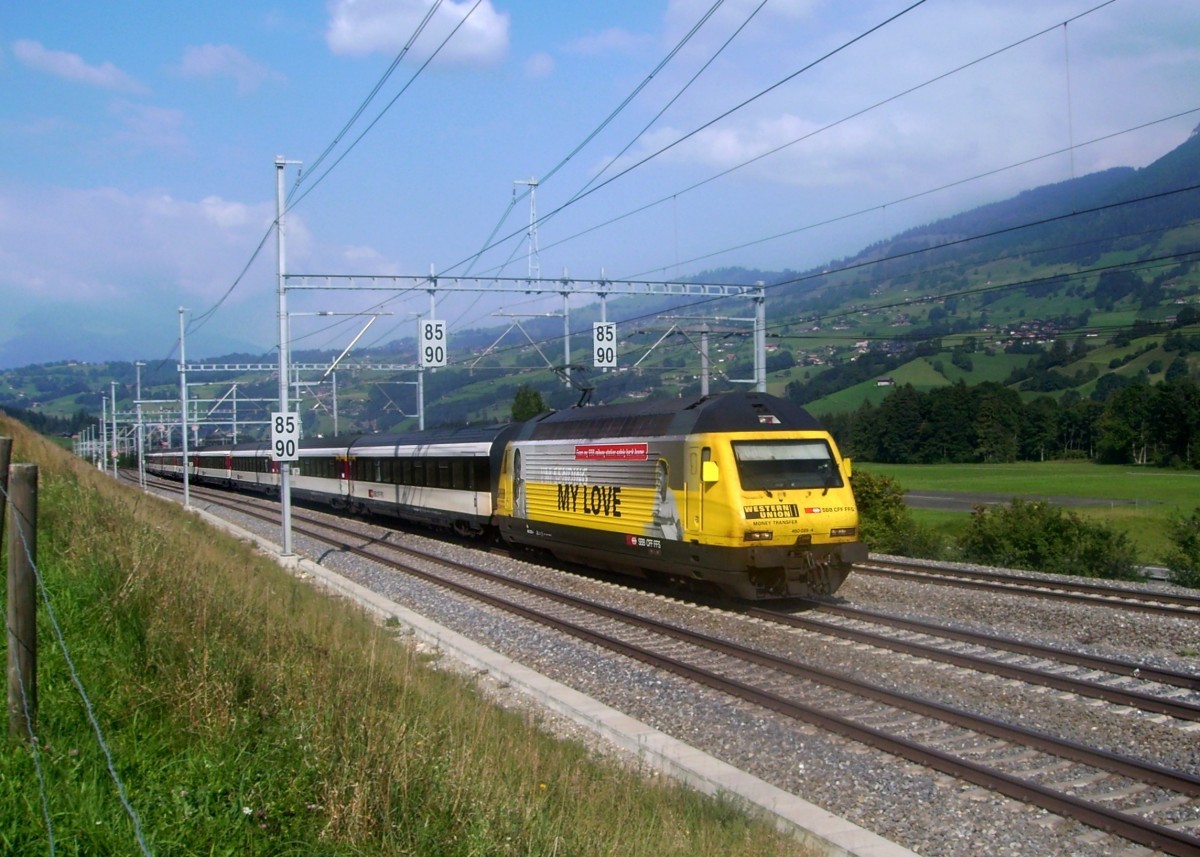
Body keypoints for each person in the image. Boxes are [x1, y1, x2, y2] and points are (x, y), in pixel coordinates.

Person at [650, 458, 681, 540]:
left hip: (671, 538)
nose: (657, 478)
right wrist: (668, 521)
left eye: (659, 474)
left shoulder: (671, 494)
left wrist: (679, 533)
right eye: (655, 475)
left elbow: (677, 519)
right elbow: (654, 519)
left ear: (666, 477)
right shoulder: (656, 494)